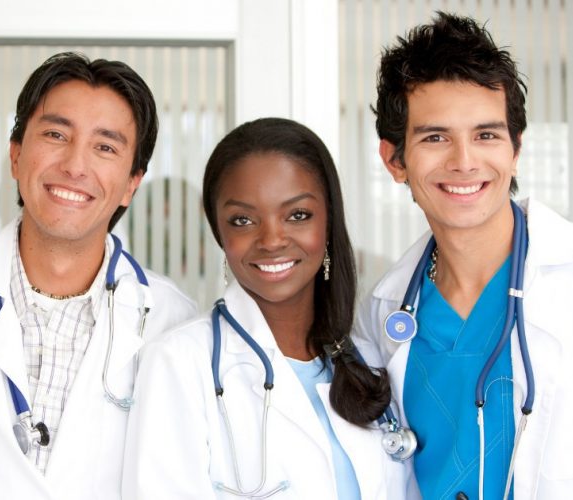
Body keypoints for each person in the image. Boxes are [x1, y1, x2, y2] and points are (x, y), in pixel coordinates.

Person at [0, 52, 197, 499]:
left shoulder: (171, 321)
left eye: (105, 147)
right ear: (15, 155)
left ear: (132, 182)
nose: (75, 165)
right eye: (55, 134)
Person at [353, 12, 573, 499]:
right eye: (435, 137)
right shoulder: (382, 312)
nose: (463, 160)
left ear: (516, 149)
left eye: (486, 135)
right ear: (394, 161)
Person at [123, 117, 410, 499]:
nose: (272, 240)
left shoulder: (369, 359)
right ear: (220, 235)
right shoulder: (180, 363)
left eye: (298, 215)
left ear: (328, 221)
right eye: (243, 220)